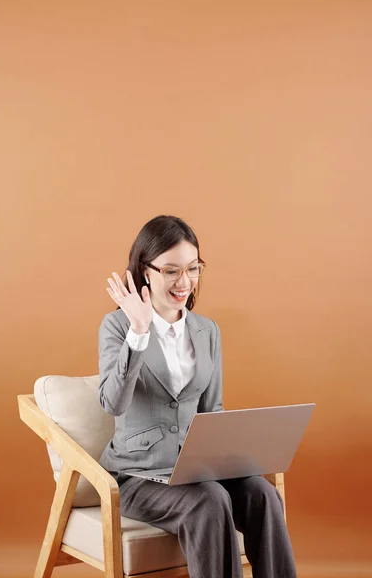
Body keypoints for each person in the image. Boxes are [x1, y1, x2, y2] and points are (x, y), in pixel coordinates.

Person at [98, 214, 297, 578]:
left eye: (193, 268)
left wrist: (233, 457)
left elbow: (212, 410)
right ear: (146, 271)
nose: (184, 281)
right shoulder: (118, 327)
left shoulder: (207, 331)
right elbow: (113, 402)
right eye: (171, 271)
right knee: (209, 500)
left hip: (196, 470)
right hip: (138, 476)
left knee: (264, 495)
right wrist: (139, 331)